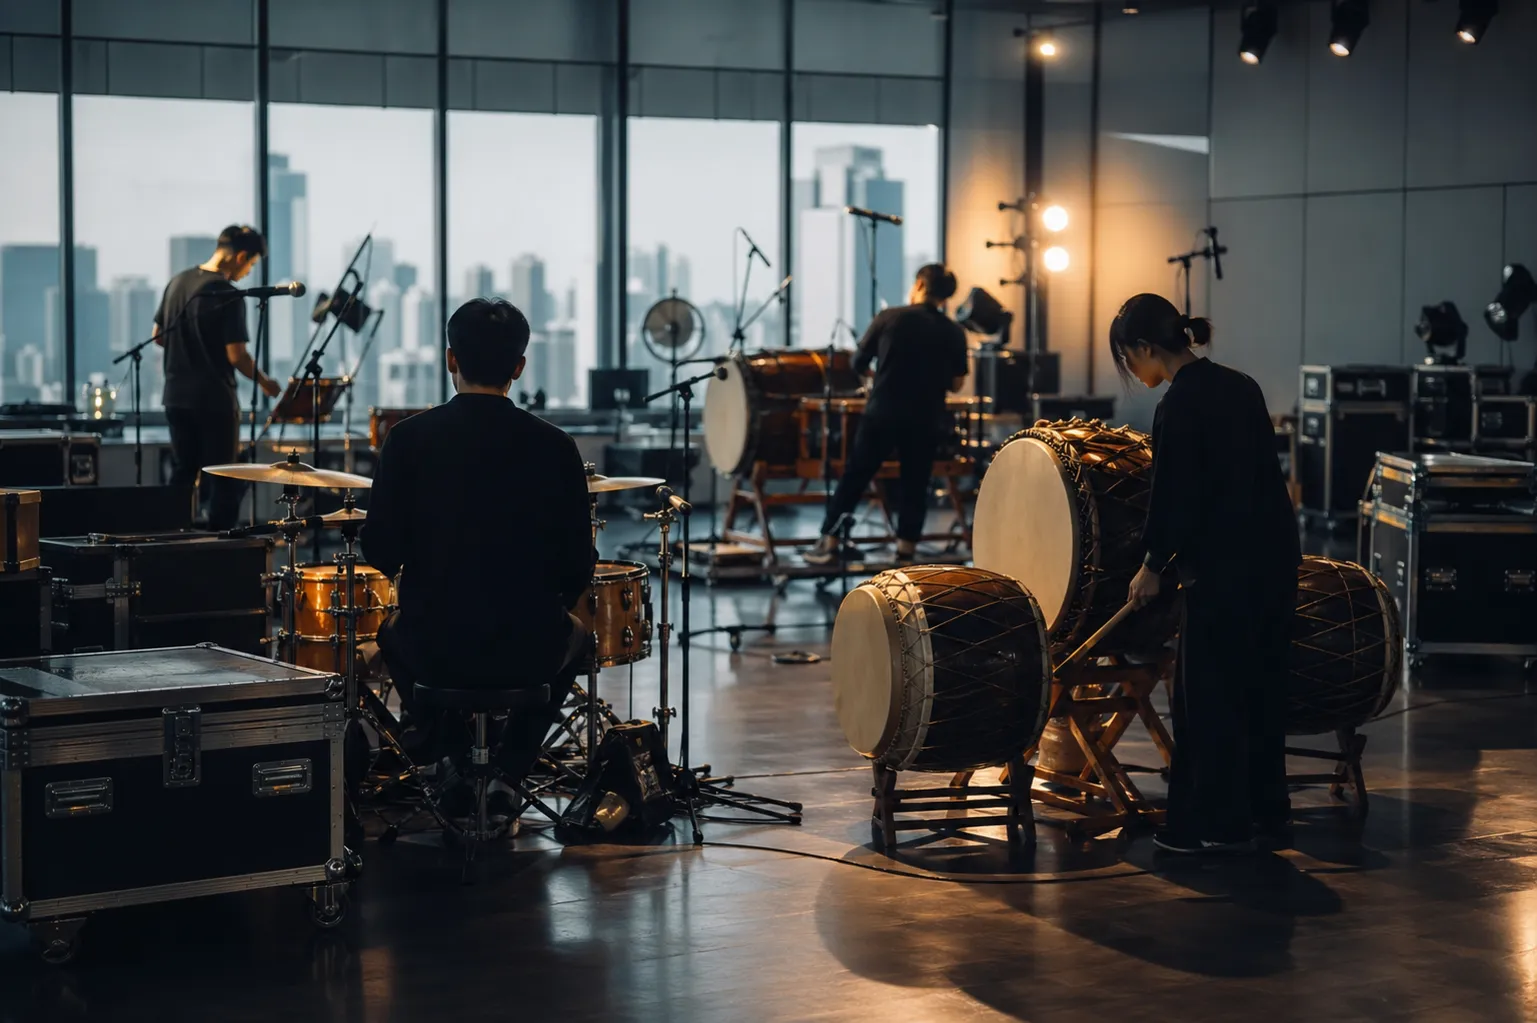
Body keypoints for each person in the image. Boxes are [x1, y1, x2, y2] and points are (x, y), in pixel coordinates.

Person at [362, 298, 595, 788]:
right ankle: (510, 771)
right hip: (527, 645)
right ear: (519, 366)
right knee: (578, 638)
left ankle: (448, 753)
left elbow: (380, 548)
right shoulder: (556, 446)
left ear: (451, 359)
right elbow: (577, 566)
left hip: (434, 643)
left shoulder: (407, 439)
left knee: (390, 635)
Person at [1112, 293, 1301, 855]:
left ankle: (1208, 827)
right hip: (1274, 561)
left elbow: (1175, 497)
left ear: (1147, 347)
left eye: (1129, 358)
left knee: (1208, 698)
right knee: (1262, 690)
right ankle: (1268, 813)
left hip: (1224, 570)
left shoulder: (1179, 404)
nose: (1131, 371)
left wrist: (1151, 565)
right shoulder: (1241, 385)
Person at [804, 263, 969, 565]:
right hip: (925, 416)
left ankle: (829, 542)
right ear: (946, 296)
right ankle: (905, 552)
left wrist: (878, 377)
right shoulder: (954, 332)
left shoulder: (889, 318)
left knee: (856, 475)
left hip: (883, 411)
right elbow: (957, 383)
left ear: (919, 285)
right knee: (915, 482)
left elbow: (857, 362)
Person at [154, 225, 282, 530]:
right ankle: (221, 550)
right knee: (223, 477)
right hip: (214, 401)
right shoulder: (227, 293)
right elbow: (236, 355)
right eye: (250, 264)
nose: (249, 272)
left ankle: (171, 541)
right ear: (240, 256)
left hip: (175, 397)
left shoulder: (178, 282)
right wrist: (265, 383)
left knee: (184, 473)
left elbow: (158, 337)